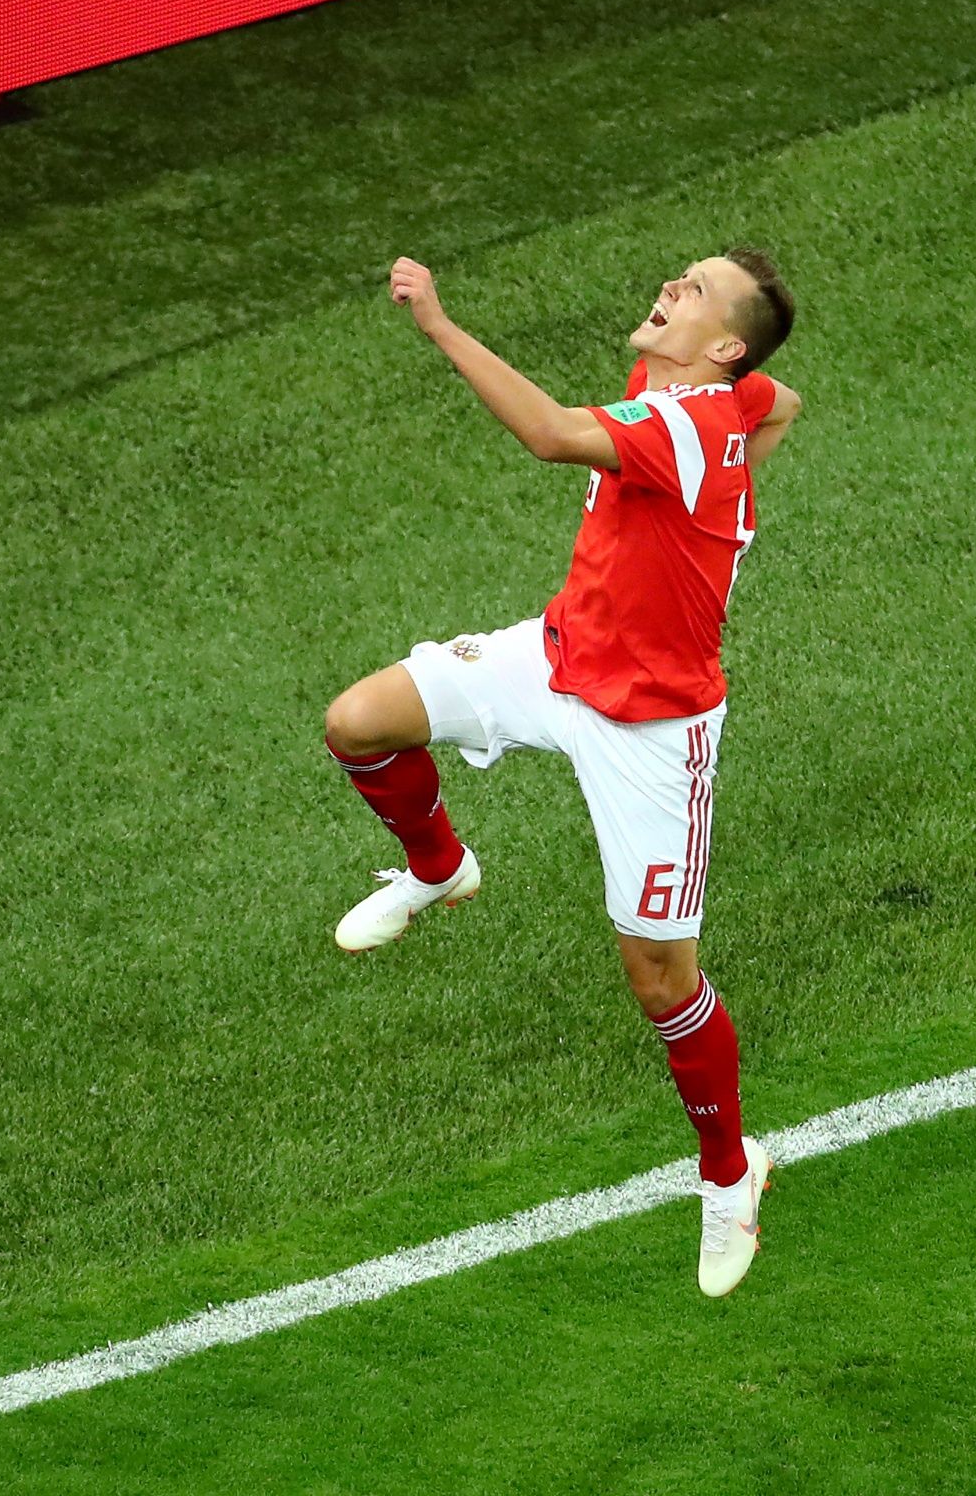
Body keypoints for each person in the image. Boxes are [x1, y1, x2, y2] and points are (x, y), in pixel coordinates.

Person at [324, 249, 800, 1296]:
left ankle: (730, 1175)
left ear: (724, 344)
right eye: (680, 276)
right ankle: (439, 868)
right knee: (357, 724)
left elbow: (545, 434)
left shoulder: (687, 422)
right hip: (555, 657)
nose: (670, 288)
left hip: (653, 732)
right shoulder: (695, 392)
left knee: (660, 977)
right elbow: (783, 401)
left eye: (694, 291)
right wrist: (725, 512)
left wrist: (439, 324)